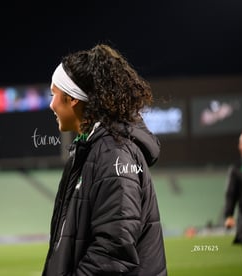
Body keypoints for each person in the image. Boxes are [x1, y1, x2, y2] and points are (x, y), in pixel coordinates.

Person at [42, 44, 167, 275]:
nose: (51, 105)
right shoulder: (90, 149)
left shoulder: (113, 154)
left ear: (72, 99)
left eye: (54, 94)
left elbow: (113, 250)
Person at [224, 130, 242, 274]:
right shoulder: (236, 168)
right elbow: (231, 194)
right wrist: (229, 215)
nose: (240, 147)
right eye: (240, 143)